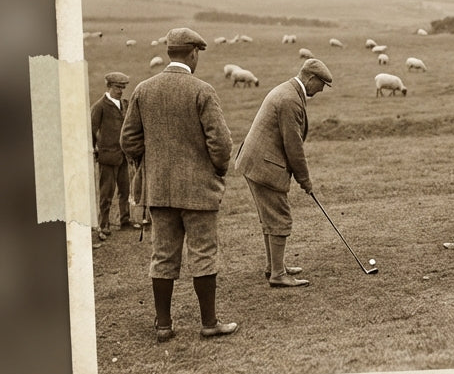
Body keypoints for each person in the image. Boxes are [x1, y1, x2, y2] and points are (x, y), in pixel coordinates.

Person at [120, 28, 236, 342]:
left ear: (170, 52)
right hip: (198, 192)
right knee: (203, 253)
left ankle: (163, 326)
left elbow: (128, 140)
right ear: (193, 53)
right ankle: (209, 323)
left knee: (163, 256)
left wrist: (152, 165)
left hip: (159, 192)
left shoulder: (144, 89)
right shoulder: (203, 90)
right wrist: (217, 171)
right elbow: (222, 145)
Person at [234, 58, 333, 287]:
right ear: (311, 79)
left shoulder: (287, 90)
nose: (321, 90)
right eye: (322, 84)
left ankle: (274, 267)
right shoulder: (290, 100)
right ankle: (278, 275)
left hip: (254, 162)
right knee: (280, 218)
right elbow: (293, 145)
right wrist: (305, 180)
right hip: (264, 165)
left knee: (270, 218)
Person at [91, 71, 134, 243]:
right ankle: (104, 224)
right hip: (107, 156)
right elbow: (91, 130)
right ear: (109, 86)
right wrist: (96, 150)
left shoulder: (125, 104)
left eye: (123, 87)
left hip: (123, 155)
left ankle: (125, 220)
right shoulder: (99, 106)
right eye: (117, 87)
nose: (121, 90)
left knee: (125, 190)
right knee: (106, 192)